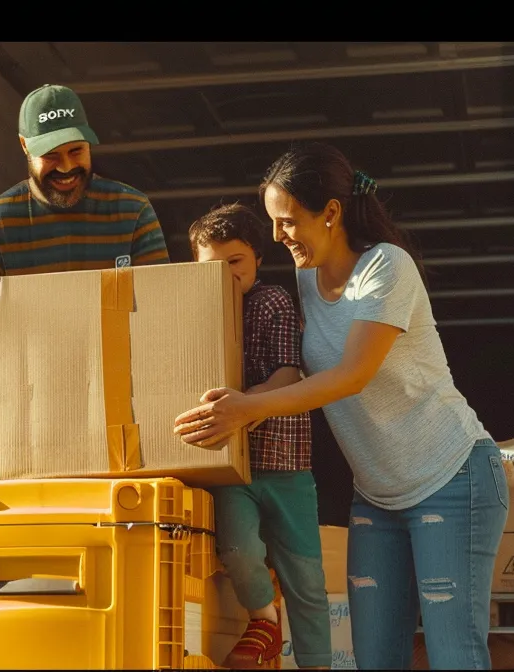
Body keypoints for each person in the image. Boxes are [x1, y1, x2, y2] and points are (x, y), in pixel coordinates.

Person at [173, 142, 509, 669]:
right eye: (273, 223)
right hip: (377, 495)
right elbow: (298, 369)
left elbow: (350, 375)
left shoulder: (386, 268)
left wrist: (248, 409)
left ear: (331, 213)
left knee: (454, 656)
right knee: (374, 659)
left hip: (451, 478)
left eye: (287, 222)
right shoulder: (307, 279)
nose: (279, 236)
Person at [0, 84, 171, 406]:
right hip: (30, 400)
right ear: (24, 147)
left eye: (76, 151)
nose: (66, 167)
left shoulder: (133, 209)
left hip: (122, 394)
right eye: (51, 156)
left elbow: (162, 313)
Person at [186, 203, 330, 670]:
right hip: (229, 466)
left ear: (256, 260)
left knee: (306, 580)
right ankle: (265, 620)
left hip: (284, 461)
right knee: (237, 550)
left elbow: (290, 373)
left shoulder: (272, 302)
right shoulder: (194, 314)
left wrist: (243, 409)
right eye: (212, 266)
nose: (226, 275)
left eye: (235, 263)